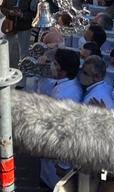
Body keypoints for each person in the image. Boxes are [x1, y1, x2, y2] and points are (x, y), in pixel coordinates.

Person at [39, 49, 83, 188]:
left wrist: (62, 164)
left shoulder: (65, 94)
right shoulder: (65, 82)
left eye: (55, 63)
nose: (52, 65)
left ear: (62, 69)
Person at [0, 0, 35, 66]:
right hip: (10, 24)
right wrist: (9, 12)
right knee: (6, 48)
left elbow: (33, 13)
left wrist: (22, 14)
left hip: (24, 26)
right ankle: (5, 66)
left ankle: (23, 67)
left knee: (23, 50)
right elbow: (2, 7)